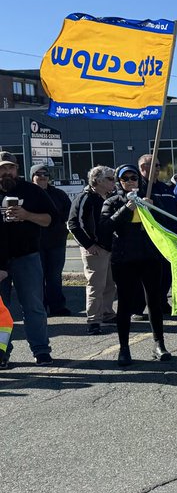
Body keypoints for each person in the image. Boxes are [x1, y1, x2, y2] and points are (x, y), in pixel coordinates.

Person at [98, 165, 170, 366]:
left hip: (150, 257)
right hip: (124, 259)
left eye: (134, 178)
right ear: (119, 182)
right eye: (125, 179)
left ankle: (159, 344)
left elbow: (165, 223)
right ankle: (124, 348)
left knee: (154, 302)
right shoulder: (112, 201)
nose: (130, 181)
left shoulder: (149, 198)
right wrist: (126, 209)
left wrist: (152, 208)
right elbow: (105, 227)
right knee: (125, 304)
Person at [0, 151, 55, 366]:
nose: (7, 172)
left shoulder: (31, 191)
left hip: (27, 256)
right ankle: (2, 353)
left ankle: (41, 350)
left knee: (33, 306)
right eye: (2, 168)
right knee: (1, 311)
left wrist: (26, 215)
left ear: (17, 169)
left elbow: (51, 220)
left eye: (10, 167)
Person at [68, 165, 117, 336]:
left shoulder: (110, 197)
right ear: (98, 181)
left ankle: (107, 313)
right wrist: (88, 245)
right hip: (95, 249)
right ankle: (93, 320)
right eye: (110, 179)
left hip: (109, 247)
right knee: (96, 285)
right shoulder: (85, 197)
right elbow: (73, 224)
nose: (114, 182)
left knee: (110, 284)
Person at [135, 153, 177, 318]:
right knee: (144, 275)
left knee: (166, 272)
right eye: (155, 165)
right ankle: (137, 308)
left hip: (166, 236)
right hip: (147, 238)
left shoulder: (165, 188)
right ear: (143, 167)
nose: (158, 168)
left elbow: (174, 210)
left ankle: (161, 301)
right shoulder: (138, 188)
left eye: (159, 165)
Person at [31, 165, 71, 317]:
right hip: (34, 243)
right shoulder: (28, 193)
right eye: (38, 174)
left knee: (54, 276)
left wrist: (54, 220)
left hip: (57, 242)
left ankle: (58, 307)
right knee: (37, 278)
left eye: (45, 174)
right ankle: (40, 308)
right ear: (32, 176)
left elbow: (68, 213)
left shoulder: (59, 194)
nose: (42, 176)